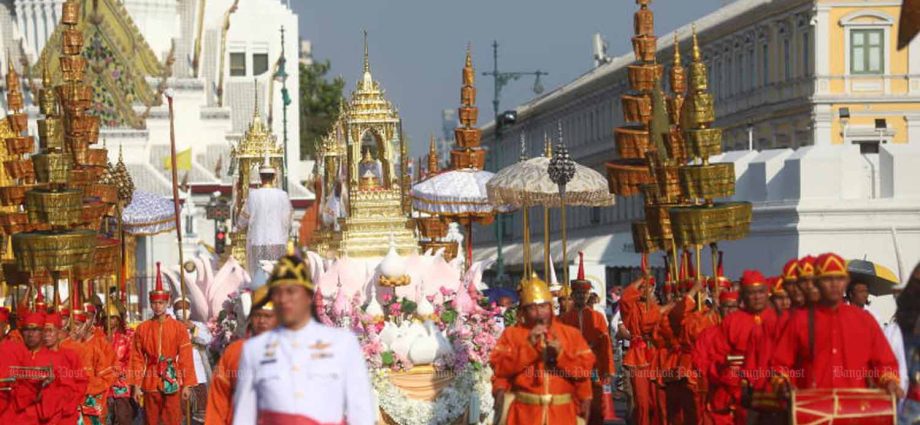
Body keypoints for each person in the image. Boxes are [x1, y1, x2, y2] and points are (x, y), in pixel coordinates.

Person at [232, 252, 374, 425]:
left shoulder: (342, 344)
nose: (284, 300)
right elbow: (244, 416)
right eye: (278, 293)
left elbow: (361, 411)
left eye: (292, 292)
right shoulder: (255, 350)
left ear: (308, 296)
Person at [772, 252, 901, 394]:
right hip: (812, 407)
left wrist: (889, 382)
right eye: (827, 279)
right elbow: (780, 365)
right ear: (816, 283)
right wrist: (783, 383)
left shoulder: (865, 320)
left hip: (856, 406)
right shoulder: (799, 320)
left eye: (839, 279)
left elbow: (885, 363)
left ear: (846, 282)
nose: (834, 284)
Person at [490, 274, 595, 425]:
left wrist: (561, 356)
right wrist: (528, 349)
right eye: (532, 308)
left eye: (543, 306)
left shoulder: (571, 334)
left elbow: (584, 371)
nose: (539, 313)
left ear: (551, 307)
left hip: (562, 414)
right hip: (524, 414)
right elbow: (500, 371)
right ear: (524, 311)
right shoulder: (511, 334)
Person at [128, 263, 198, 425]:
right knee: (151, 419)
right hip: (151, 379)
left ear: (167, 304)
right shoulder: (142, 328)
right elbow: (137, 358)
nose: (157, 306)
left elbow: (185, 358)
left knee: (172, 419)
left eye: (161, 303)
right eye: (154, 303)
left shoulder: (179, 328)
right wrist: (136, 385)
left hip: (172, 379)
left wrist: (187, 384)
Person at [707, 270, 780, 425]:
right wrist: (730, 377)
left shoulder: (777, 319)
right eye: (751, 293)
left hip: (771, 391)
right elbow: (716, 356)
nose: (757, 297)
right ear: (744, 296)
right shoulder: (732, 321)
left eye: (761, 292)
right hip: (736, 391)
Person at [205, 286, 277, 425]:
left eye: (267, 316)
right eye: (257, 315)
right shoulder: (234, 352)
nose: (262, 320)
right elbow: (218, 399)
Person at [559, 252, 615, 425]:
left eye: (584, 294)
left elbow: (606, 345)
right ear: (573, 296)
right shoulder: (565, 318)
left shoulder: (597, 316)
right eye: (577, 294)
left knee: (596, 408)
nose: (580, 297)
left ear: (588, 295)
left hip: (595, 368)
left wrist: (609, 369)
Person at [618, 265, 662, 425]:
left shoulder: (657, 308)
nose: (645, 290)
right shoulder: (632, 308)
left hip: (656, 356)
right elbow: (624, 298)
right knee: (642, 402)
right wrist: (642, 278)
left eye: (649, 287)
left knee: (656, 402)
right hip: (638, 357)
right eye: (642, 287)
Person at [63, 302, 118, 424]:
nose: (77, 328)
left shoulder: (101, 342)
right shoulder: (64, 345)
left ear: (93, 318)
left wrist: (91, 388)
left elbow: (110, 372)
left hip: (93, 400)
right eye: (74, 324)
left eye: (88, 317)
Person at [236, 159, 293, 275]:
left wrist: (239, 226)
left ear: (260, 177)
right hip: (277, 242)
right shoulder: (282, 195)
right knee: (275, 276)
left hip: (258, 241)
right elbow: (288, 219)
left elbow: (243, 219)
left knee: (259, 276)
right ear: (274, 177)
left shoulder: (253, 195)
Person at [43, 311, 89, 424]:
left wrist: (71, 404)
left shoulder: (70, 355)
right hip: (43, 414)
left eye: (50, 330)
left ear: (59, 333)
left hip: (66, 414)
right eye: (43, 331)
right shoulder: (34, 356)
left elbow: (82, 382)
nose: (46, 334)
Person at [173, 297, 212, 424]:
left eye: (185, 307)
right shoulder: (170, 326)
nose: (182, 310)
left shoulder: (198, 325)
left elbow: (207, 339)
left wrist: (192, 328)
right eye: (178, 308)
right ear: (174, 310)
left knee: (200, 411)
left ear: (190, 309)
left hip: (198, 373)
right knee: (180, 412)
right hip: (178, 373)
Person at [104, 302, 137, 425]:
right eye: (106, 318)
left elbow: (131, 361)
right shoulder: (100, 339)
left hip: (121, 384)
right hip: (104, 384)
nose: (109, 321)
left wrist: (125, 375)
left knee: (123, 417)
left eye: (112, 317)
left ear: (117, 320)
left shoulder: (126, 339)